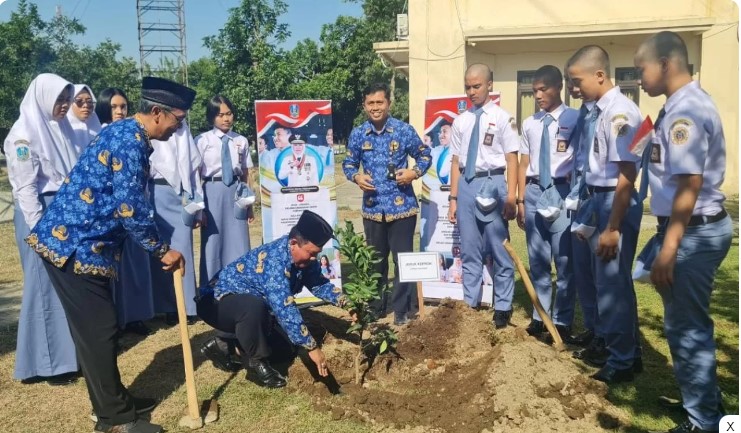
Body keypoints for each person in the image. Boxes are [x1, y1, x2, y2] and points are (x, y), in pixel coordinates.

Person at [25, 76, 194, 433]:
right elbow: (130, 209)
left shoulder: (126, 134)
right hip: (74, 246)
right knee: (100, 330)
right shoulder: (128, 142)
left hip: (81, 243)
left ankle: (115, 402)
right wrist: (162, 250)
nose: (179, 128)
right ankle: (115, 421)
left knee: (96, 331)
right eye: (178, 120)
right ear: (158, 113)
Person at [635, 31, 732, 433]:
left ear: (666, 64)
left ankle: (703, 421)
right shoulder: (679, 106)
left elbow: (689, 186)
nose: (638, 76)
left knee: (688, 329)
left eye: (641, 67)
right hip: (692, 229)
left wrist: (669, 249)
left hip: (691, 232)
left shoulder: (684, 113)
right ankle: (704, 398)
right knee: (687, 323)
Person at [196, 210, 353, 388]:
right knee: (252, 307)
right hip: (215, 303)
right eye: (311, 253)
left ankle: (225, 346)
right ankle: (256, 363)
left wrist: (347, 303)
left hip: (249, 309)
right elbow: (285, 309)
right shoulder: (274, 261)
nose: (313, 258)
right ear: (294, 243)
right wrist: (312, 347)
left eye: (316, 254)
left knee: (285, 349)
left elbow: (319, 284)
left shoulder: (304, 260)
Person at [566, 46, 643, 384]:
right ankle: (625, 351)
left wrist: (612, 226)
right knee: (607, 282)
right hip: (596, 199)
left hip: (614, 201)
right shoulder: (597, 110)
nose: (574, 88)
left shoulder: (620, 113)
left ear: (599, 75)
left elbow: (628, 172)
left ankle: (622, 360)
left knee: (612, 284)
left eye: (577, 80)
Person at [4, 73, 80, 386]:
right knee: (44, 284)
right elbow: (25, 189)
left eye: (67, 99)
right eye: (59, 99)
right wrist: (40, 232)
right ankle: (49, 364)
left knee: (62, 283)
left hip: (60, 212)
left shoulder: (58, 130)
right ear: (44, 98)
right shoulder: (23, 135)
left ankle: (65, 355)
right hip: (40, 215)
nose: (64, 106)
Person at [343, 82, 432, 326]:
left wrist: (413, 173)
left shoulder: (403, 131)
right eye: (370, 103)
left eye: (379, 102)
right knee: (375, 263)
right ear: (364, 106)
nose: (375, 107)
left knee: (401, 261)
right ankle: (374, 308)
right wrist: (357, 177)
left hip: (402, 208)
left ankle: (401, 309)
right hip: (373, 209)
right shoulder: (359, 134)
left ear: (388, 104)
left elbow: (425, 155)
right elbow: (348, 164)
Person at [447, 63, 518, 328]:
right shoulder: (461, 120)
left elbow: (512, 159)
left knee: (499, 248)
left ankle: (502, 307)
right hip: (466, 184)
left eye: (476, 86)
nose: (471, 92)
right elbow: (455, 161)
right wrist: (453, 199)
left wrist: (511, 196)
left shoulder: (502, 118)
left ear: (490, 84)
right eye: (467, 86)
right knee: (470, 249)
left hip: (493, 183)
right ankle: (470, 305)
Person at [516, 65, 578, 342]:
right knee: (538, 260)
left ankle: (563, 320)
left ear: (558, 88)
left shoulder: (575, 119)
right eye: (534, 91)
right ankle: (540, 316)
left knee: (564, 260)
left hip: (561, 190)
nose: (538, 96)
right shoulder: (531, 123)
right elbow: (524, 161)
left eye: (543, 90)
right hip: (532, 191)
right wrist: (519, 199)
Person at [97, 88, 156, 336]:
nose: (120, 111)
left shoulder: (135, 135)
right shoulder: (103, 136)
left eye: (123, 106)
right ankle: (116, 319)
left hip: (133, 209)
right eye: (114, 107)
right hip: (110, 215)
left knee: (133, 266)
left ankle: (134, 315)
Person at [149, 119, 202, 325]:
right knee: (162, 250)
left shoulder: (184, 132)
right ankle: (167, 307)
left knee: (183, 248)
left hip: (182, 194)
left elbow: (193, 169)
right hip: (156, 192)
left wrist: (198, 207)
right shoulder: (153, 130)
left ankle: (189, 305)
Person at [563, 67, 601, 351]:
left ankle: (610, 339)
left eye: (575, 83)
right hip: (580, 198)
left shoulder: (612, 113)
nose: (573, 89)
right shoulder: (584, 113)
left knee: (605, 277)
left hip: (600, 199)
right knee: (584, 271)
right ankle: (592, 327)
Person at [67, 84, 102, 152]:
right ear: (70, 103)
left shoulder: (98, 129)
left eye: (89, 102)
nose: (85, 105)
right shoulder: (65, 129)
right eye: (79, 101)